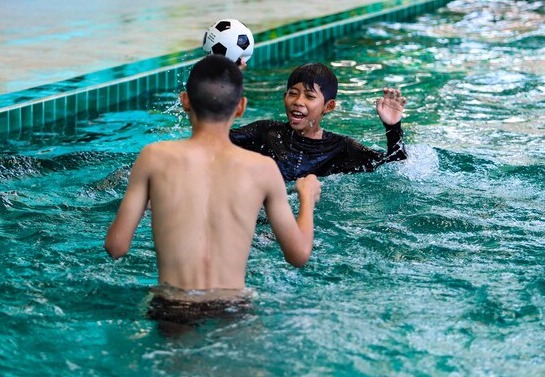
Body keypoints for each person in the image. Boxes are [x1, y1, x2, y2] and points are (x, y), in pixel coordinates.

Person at [104, 55, 321, 325]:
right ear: (241, 107)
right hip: (234, 306)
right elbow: (298, 255)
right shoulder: (263, 168)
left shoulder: (153, 157)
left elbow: (116, 247)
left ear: (185, 101)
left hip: (173, 305)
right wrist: (307, 197)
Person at [230, 62, 407, 182]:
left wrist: (393, 128)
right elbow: (213, 139)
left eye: (309, 96)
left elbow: (395, 169)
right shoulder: (265, 132)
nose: (298, 101)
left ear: (328, 106)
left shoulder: (341, 148)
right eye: (293, 93)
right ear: (285, 97)